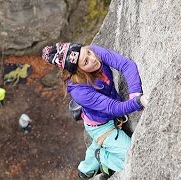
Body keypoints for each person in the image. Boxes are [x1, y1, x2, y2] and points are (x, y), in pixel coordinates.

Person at [42, 42, 148, 179]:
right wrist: (137, 102)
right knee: (131, 156)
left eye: (88, 53)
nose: (93, 59)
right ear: (79, 71)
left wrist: (135, 93)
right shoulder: (79, 91)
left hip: (103, 118)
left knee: (100, 141)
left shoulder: (92, 52)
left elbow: (126, 64)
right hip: (101, 127)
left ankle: (85, 169)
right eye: (86, 62)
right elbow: (112, 107)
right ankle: (103, 157)